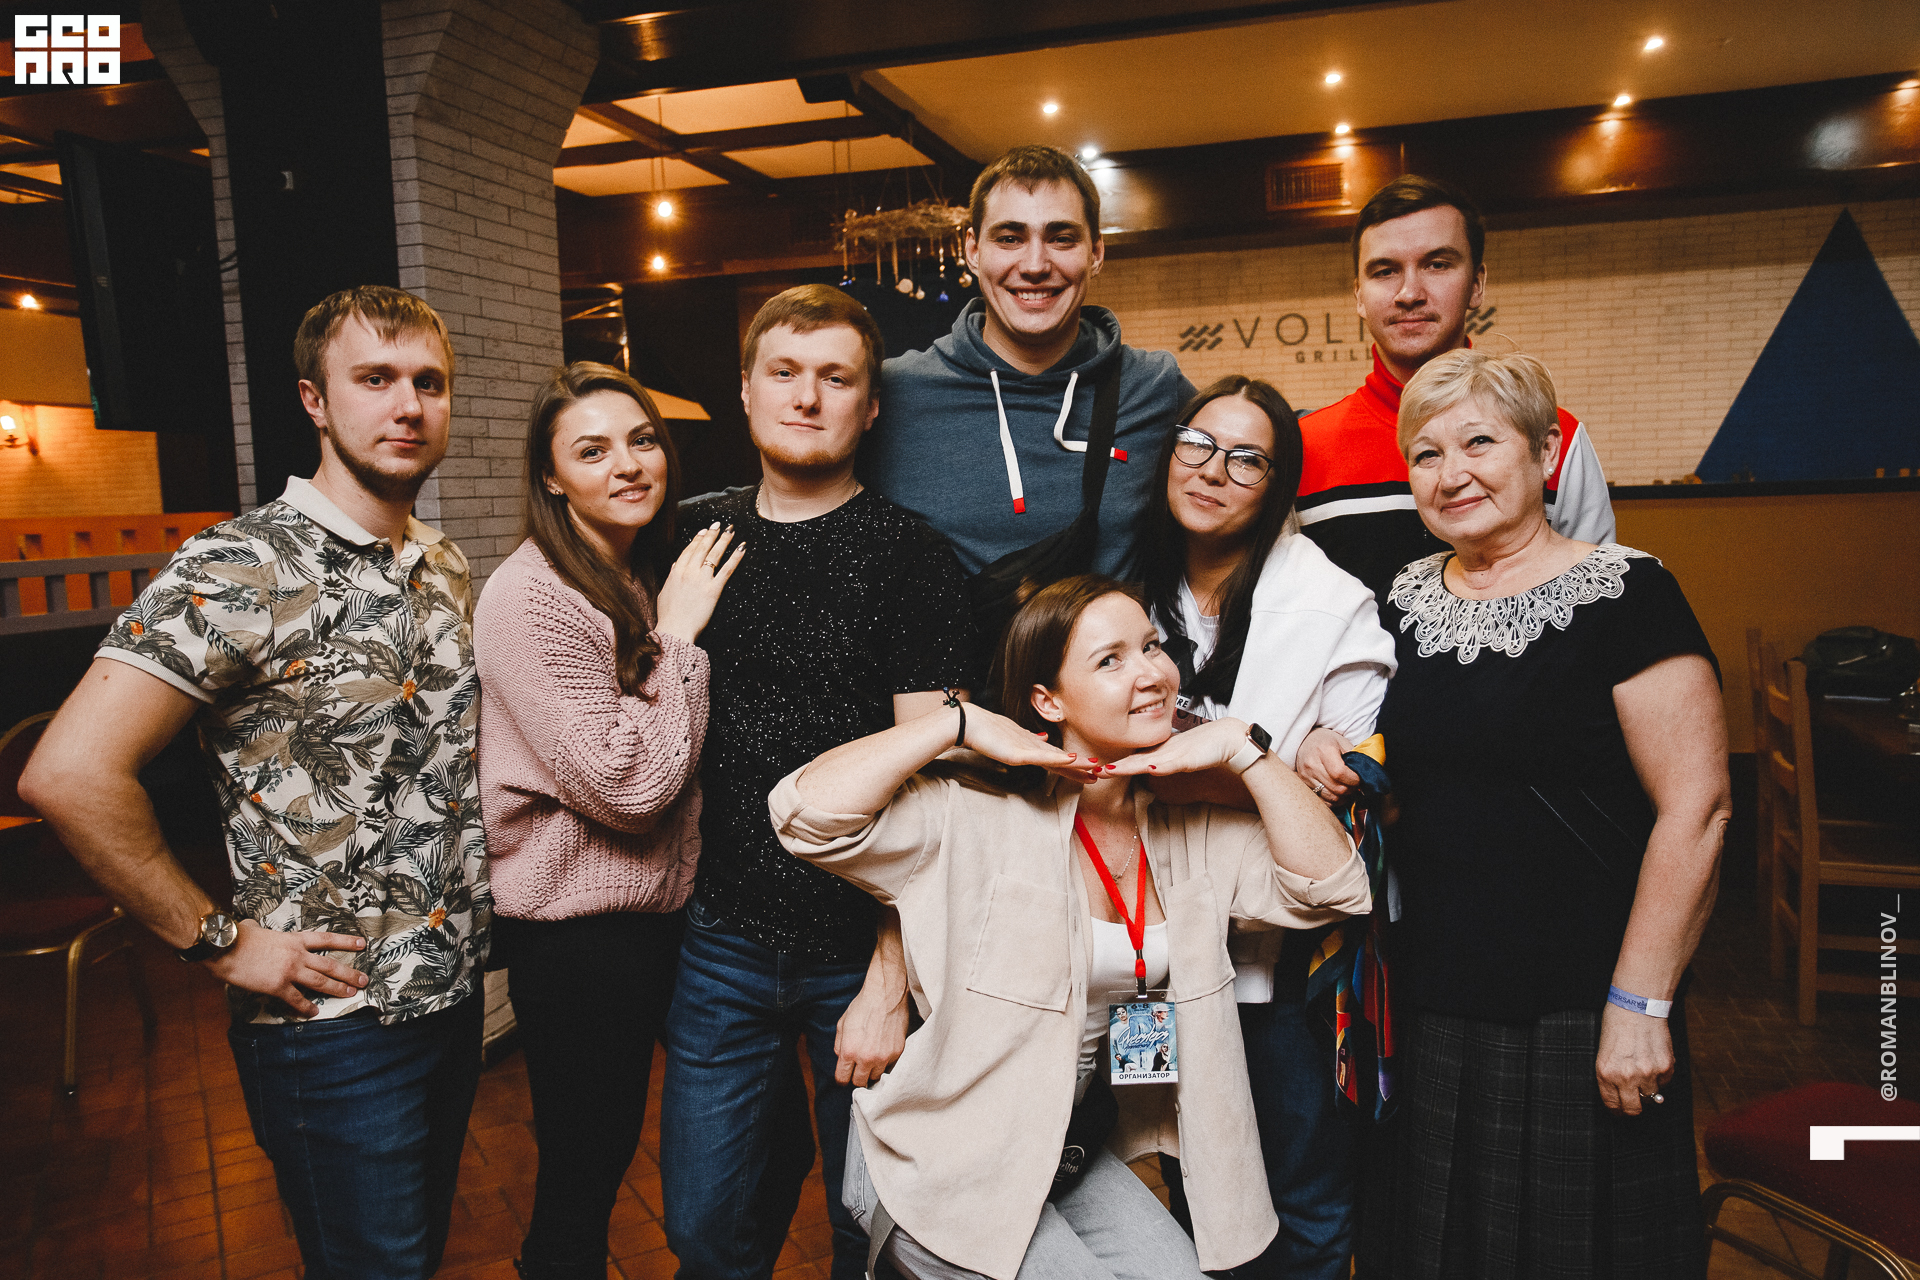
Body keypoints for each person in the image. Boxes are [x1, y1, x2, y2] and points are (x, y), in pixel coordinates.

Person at [21, 286, 488, 1280]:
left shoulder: (440, 561)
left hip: (447, 997)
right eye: (375, 379)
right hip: (330, 1026)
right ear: (315, 400)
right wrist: (220, 941)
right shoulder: (242, 563)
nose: (408, 405)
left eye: (429, 382)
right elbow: (69, 772)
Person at [771, 574, 1374, 1279]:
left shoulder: (1191, 830)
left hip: (1062, 1153)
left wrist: (1246, 752)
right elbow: (803, 815)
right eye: (1110, 660)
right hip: (939, 1163)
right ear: (1047, 701)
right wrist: (954, 724)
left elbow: (1337, 887)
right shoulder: (973, 812)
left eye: (1152, 646)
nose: (1151, 673)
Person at [1367, 349, 1726, 1278]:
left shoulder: (1628, 594)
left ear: (1545, 454)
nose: (1452, 474)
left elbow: (1697, 809)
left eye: (1479, 443)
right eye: (1425, 454)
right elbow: (1398, 761)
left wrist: (1640, 1003)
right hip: (1437, 992)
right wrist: (1338, 747)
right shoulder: (1403, 602)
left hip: (1583, 999)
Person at [659, 284, 978, 1280]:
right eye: (785, 372)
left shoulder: (913, 557)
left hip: (860, 946)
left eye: (835, 378)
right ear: (746, 391)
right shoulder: (688, 535)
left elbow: (938, 786)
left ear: (870, 407)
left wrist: (892, 977)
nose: (806, 397)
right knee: (704, 1228)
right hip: (722, 941)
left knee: (870, 1233)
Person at [474, 363, 745, 1279]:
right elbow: (628, 786)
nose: (627, 465)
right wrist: (680, 638)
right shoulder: (533, 596)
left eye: (641, 441)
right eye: (591, 451)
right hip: (580, 939)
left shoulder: (631, 571)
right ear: (552, 478)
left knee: (723, 1144)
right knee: (582, 1181)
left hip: (655, 920)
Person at [1136, 375, 1395, 1279]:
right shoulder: (1128, 587)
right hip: (1155, 951)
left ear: (1280, 484)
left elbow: (1353, 790)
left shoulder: (1330, 602)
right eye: (1198, 444)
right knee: (1188, 1182)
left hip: (1282, 965)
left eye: (1247, 459)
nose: (1213, 471)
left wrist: (1304, 762)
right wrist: (1267, 765)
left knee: (1307, 1195)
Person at [864, 144, 1194, 587]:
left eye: (1062, 238)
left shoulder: (1154, 386)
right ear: (973, 250)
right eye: (1009, 238)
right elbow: (796, 497)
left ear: (1096, 252)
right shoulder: (895, 393)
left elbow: (1260, 482)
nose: (1035, 265)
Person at [1296, 175, 1616, 603]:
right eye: (1385, 271)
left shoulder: (1550, 434)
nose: (1409, 293)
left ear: (1477, 284)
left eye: (1437, 264)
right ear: (1359, 296)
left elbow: (1597, 601)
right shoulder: (1303, 447)